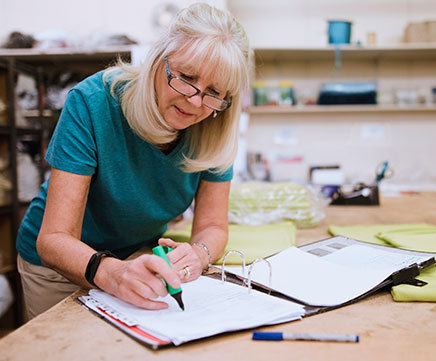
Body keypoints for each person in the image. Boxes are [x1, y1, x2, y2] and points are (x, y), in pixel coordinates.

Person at [16, 3, 250, 319]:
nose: (195, 101)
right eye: (186, 77)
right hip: (58, 266)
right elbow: (54, 240)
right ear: (157, 60)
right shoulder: (94, 101)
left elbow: (211, 225)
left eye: (213, 92)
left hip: (136, 256)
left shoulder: (215, 124)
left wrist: (198, 254)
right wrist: (111, 272)